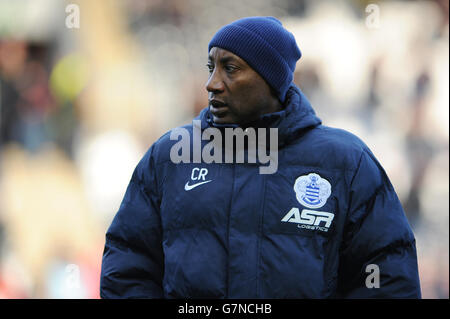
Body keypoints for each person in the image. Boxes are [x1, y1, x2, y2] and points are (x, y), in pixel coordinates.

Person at [100, 16, 421, 298]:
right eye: (211, 68)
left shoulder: (345, 163)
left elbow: (386, 275)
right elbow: (128, 266)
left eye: (230, 68)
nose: (211, 84)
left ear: (271, 79)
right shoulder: (169, 158)